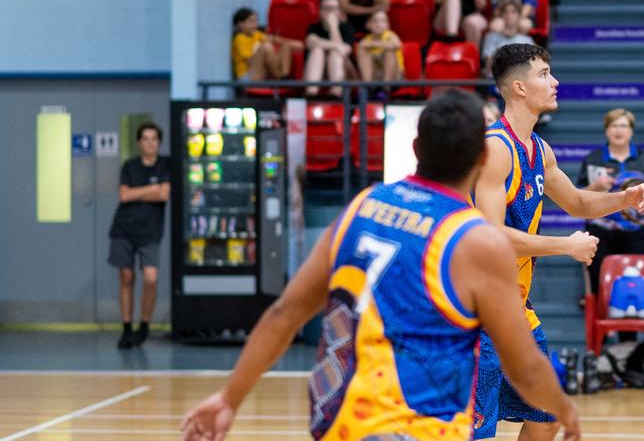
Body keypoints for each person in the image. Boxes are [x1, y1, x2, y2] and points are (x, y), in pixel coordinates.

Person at [179, 91, 581, 441]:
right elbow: (525, 367)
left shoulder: (363, 206)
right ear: (481, 158)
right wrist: (565, 410)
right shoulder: (474, 239)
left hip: (341, 422)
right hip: (419, 428)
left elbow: (285, 314)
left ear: (416, 147)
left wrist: (229, 397)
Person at [472, 44, 644, 440]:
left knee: (545, 416)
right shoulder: (496, 149)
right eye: (544, 74)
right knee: (476, 432)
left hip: (514, 307)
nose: (555, 82)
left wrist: (626, 198)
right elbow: (489, 236)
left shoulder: (540, 149)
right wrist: (565, 246)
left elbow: (579, 202)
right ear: (519, 87)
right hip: (475, 310)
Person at [577, 108, 644, 291]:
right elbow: (578, 195)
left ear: (631, 131)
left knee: (637, 279)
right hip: (600, 228)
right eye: (613, 126)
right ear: (606, 130)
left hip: (636, 228)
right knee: (600, 281)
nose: (618, 131)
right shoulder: (593, 159)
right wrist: (596, 187)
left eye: (623, 126)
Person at [109, 123, 169, 350]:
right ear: (139, 143)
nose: (150, 142)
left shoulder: (165, 165)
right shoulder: (130, 166)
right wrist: (149, 190)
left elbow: (163, 194)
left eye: (154, 138)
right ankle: (126, 328)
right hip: (124, 229)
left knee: (151, 278)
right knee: (126, 276)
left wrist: (139, 192)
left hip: (151, 231)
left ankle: (144, 325)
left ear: (158, 142)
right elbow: (124, 196)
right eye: (145, 138)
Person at [303, 0, 355, 97]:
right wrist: (336, 46)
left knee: (335, 54)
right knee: (317, 51)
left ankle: (336, 92)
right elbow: (311, 42)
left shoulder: (347, 28)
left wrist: (333, 28)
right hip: (318, 72)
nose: (331, 12)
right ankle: (311, 92)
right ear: (320, 11)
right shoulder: (314, 28)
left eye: (334, 8)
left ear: (339, 11)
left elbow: (344, 51)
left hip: (345, 71)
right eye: (327, 8)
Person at [230, 8, 297, 83]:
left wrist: (295, 43)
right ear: (241, 24)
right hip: (247, 76)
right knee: (265, 47)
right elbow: (249, 61)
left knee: (286, 45)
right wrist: (260, 49)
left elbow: (273, 39)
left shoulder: (256, 34)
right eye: (251, 22)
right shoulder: (239, 39)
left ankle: (285, 76)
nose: (255, 25)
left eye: (256, 21)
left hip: (263, 72)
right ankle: (281, 77)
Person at [481, 0, 534, 73]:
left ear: (519, 16)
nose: (509, 15)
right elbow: (489, 65)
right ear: (501, 15)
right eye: (506, 12)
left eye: (513, 12)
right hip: (496, 80)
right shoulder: (490, 37)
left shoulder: (527, 40)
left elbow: (532, 66)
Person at [356, 10, 403, 85]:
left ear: (387, 24)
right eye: (375, 21)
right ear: (368, 24)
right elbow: (362, 45)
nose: (379, 24)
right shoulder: (366, 40)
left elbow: (396, 45)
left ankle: (385, 87)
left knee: (389, 50)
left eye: (383, 21)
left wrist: (372, 44)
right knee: (363, 51)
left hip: (395, 76)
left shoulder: (391, 36)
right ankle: (368, 86)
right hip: (375, 75)